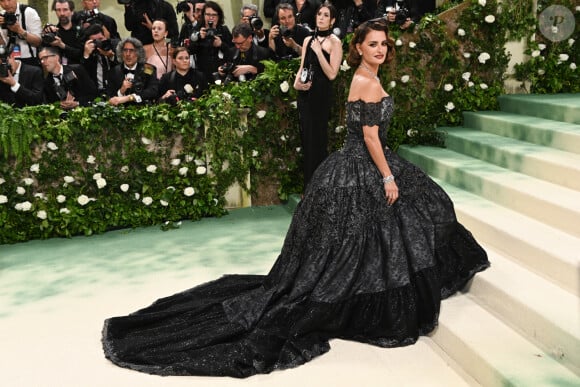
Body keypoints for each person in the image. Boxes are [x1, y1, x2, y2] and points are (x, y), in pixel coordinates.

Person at [102, 18, 490, 377]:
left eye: (384, 44)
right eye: (373, 44)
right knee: (374, 229)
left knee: (385, 226)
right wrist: (387, 175)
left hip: (358, 163)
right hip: (365, 162)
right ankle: (364, 295)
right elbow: (370, 136)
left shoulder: (366, 76)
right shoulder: (365, 81)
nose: (380, 50)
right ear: (357, 48)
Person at [293, 2, 342, 189]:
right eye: (319, 14)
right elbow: (302, 67)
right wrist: (296, 83)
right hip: (305, 95)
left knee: (318, 141)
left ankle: (319, 187)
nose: (321, 18)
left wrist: (319, 52)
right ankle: (308, 185)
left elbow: (332, 74)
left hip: (321, 96)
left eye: (326, 15)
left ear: (332, 21)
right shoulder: (307, 40)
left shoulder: (335, 43)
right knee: (306, 141)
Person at [188, 1, 232, 82]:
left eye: (214, 15)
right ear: (203, 15)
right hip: (202, 74)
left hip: (221, 73)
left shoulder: (224, 30)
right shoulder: (197, 30)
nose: (211, 17)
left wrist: (221, 45)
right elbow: (190, 50)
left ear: (219, 16)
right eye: (208, 14)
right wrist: (199, 38)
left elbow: (233, 52)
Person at [107, 37, 159, 106]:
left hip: (143, 110)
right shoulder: (113, 72)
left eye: (131, 50)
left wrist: (130, 97)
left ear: (138, 53)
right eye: (125, 50)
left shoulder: (148, 69)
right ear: (121, 53)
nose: (128, 54)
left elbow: (153, 91)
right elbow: (110, 97)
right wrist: (121, 91)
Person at [0, 0, 41, 66]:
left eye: (9, 0)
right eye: (2, 1)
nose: (6, 4)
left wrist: (19, 30)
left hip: (29, 60)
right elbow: (3, 45)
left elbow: (38, 42)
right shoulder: (2, 15)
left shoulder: (29, 12)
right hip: (10, 60)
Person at [80, 23, 118, 96]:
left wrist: (111, 57)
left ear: (105, 37)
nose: (99, 43)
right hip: (96, 93)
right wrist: (86, 55)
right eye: (95, 41)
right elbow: (84, 76)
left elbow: (122, 69)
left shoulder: (114, 47)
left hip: (114, 92)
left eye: (101, 39)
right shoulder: (86, 51)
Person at [43, 0, 83, 65]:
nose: (62, 13)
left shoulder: (80, 31)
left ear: (72, 11)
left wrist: (61, 45)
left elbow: (81, 55)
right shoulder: (53, 32)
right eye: (58, 10)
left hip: (77, 70)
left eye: (65, 10)